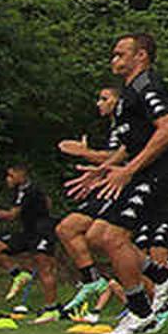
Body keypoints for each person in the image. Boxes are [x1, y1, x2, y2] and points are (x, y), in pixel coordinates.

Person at [64, 34, 168, 334]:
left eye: (121, 54)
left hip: (160, 171)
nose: (114, 60)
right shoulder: (128, 95)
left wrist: (129, 170)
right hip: (142, 171)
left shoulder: (147, 86)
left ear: (141, 56)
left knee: (113, 236)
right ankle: (162, 277)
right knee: (97, 235)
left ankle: (140, 312)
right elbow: (131, 144)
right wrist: (104, 169)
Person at [50, 84, 126, 321]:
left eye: (104, 98)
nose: (99, 103)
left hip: (122, 190)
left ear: (117, 100)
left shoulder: (126, 122)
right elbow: (112, 161)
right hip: (109, 187)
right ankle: (93, 280)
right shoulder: (115, 126)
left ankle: (148, 299)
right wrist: (94, 173)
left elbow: (118, 157)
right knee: (72, 230)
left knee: (81, 231)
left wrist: (83, 152)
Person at [0, 165, 60, 314]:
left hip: (42, 232)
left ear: (20, 175)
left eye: (11, 176)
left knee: (44, 267)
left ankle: (52, 308)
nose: (7, 179)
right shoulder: (20, 191)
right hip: (28, 232)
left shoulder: (30, 190)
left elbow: (10, 216)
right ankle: (18, 274)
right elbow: (47, 202)